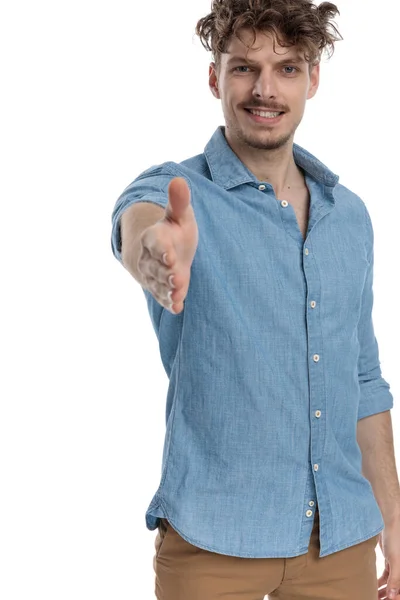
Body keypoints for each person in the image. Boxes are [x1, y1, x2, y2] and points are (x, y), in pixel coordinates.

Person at [110, 1, 400, 599]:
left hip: (340, 540)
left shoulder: (351, 218)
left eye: (287, 69)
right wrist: (154, 252)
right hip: (211, 539)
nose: (264, 90)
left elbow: (363, 380)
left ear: (313, 78)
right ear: (215, 76)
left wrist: (393, 524)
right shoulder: (179, 192)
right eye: (244, 67)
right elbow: (139, 225)